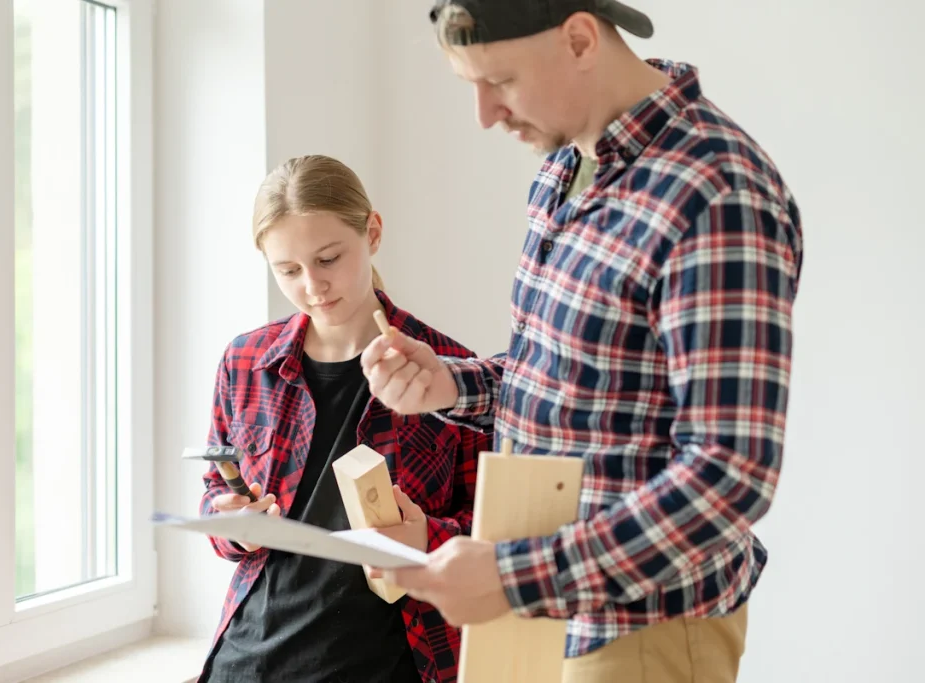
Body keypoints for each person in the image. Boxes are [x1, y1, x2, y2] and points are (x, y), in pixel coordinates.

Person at [361, 2, 804, 682]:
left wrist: (513, 576)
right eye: (470, 85)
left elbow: (729, 473)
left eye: (500, 81)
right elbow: (573, 377)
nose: (485, 114)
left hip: (642, 626)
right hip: (542, 612)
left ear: (578, 39)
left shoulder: (716, 194)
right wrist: (452, 383)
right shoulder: (565, 167)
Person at [195, 154, 492, 683]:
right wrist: (233, 525)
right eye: (288, 270)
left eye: (328, 258)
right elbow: (216, 494)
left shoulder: (450, 375)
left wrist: (426, 536)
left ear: (372, 233)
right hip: (248, 661)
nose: (312, 286)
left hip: (391, 664)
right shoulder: (244, 361)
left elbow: (492, 530)